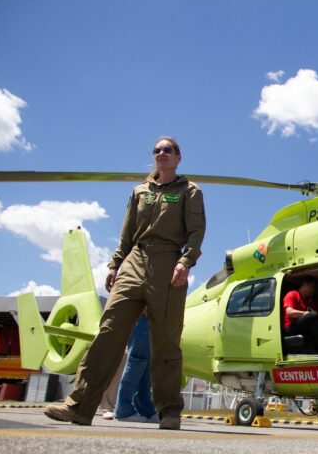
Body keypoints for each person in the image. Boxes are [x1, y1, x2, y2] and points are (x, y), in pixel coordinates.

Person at [44, 136, 206, 430]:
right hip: (135, 259)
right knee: (108, 331)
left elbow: (196, 232)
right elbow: (127, 232)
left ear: (178, 157)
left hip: (168, 263)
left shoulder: (190, 192)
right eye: (157, 150)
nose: (161, 153)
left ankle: (169, 411)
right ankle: (79, 406)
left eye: (167, 150)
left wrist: (186, 260)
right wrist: (115, 264)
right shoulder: (139, 192)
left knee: (166, 339)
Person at [113, 313, 158, 423]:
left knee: (144, 365)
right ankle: (123, 410)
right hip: (143, 318)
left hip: (148, 319)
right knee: (136, 362)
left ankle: (145, 408)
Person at [282, 277, 318, 354]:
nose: (314, 290)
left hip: (303, 327)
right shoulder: (292, 294)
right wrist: (307, 313)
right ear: (305, 285)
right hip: (290, 328)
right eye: (313, 287)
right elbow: (290, 312)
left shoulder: (308, 300)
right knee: (313, 315)